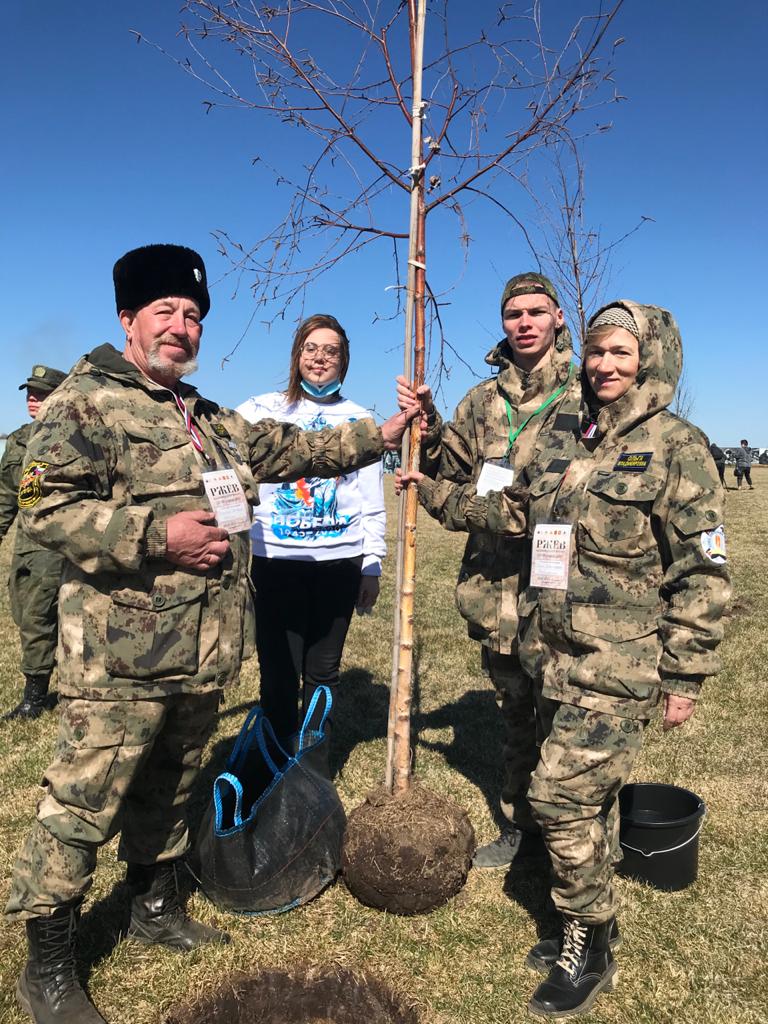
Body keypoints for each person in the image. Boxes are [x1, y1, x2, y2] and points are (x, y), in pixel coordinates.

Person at [4, 244, 419, 1024]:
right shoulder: (84, 403)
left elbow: (297, 449)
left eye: (193, 316)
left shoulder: (209, 418)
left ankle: (152, 905)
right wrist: (160, 535)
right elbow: (47, 510)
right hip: (119, 660)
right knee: (83, 802)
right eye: (166, 311)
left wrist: (382, 431)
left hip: (200, 653)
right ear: (128, 319)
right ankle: (48, 964)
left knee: (176, 782)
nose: (182, 327)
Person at [406, 301, 730, 1018]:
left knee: (557, 797)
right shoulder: (565, 436)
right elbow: (515, 512)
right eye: (596, 352)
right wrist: (427, 490)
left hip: (622, 664)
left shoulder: (680, 447)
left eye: (620, 353)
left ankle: (591, 939)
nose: (605, 366)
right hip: (551, 653)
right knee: (586, 799)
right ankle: (578, 917)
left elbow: (704, 575)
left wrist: (685, 675)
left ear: (650, 358)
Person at [396, 272, 578, 869]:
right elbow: (453, 463)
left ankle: (571, 838)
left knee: (565, 716)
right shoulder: (482, 399)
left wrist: (447, 499)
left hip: (559, 590)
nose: (523, 324)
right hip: (495, 589)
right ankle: (520, 824)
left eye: (535, 312)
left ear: (557, 318)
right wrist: (428, 424)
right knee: (515, 714)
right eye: (512, 314)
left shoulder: (586, 396)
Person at [236, 314, 385, 758]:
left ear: (345, 361)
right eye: (311, 348)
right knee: (278, 671)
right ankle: (275, 762)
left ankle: (314, 769)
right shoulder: (260, 410)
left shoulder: (359, 419)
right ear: (296, 355)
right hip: (275, 561)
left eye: (331, 351)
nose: (320, 358)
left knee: (323, 671)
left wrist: (371, 564)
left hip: (338, 563)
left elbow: (372, 499)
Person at [0, 365, 68, 719]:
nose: (32, 398)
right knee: (24, 613)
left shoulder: (72, 439)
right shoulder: (19, 440)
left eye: (41, 392)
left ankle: (35, 697)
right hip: (26, 547)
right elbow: (6, 494)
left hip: (60, 546)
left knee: (42, 617)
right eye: (29, 391)